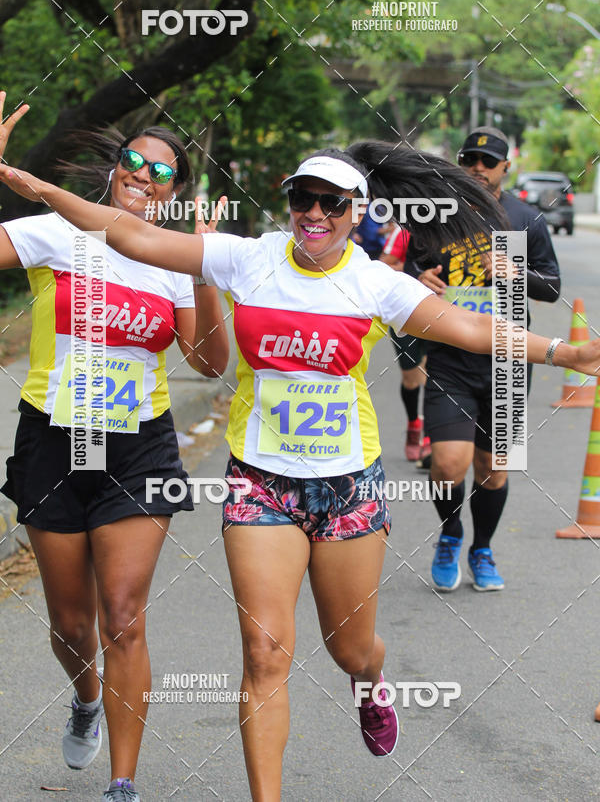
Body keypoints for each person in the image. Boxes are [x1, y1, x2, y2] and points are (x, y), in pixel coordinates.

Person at [2, 136, 597, 802]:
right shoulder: (249, 258)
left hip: (347, 486)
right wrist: (44, 193)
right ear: (289, 202)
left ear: (355, 211)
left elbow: (469, 327)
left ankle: (370, 683)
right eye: (303, 198)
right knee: (264, 656)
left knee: (352, 648)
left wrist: (563, 352)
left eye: (331, 203)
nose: (315, 213)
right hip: (260, 485)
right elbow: (133, 239)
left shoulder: (373, 282)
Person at [0, 91, 229, 802]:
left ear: (175, 194)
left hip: (139, 448)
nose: (143, 174)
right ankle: (86, 695)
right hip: (54, 440)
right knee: (72, 623)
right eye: (134, 160)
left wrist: (202, 267)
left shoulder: (172, 261)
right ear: (114, 172)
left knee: (123, 615)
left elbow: (211, 363)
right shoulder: (53, 234)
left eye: (161, 172)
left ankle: (122, 784)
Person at [404, 126, 561, 592]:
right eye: (470, 159)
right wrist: (420, 278)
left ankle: (482, 548)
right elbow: (413, 270)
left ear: (504, 168)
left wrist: (517, 273)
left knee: (493, 469)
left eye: (488, 161)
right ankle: (451, 534)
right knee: (448, 464)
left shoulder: (525, 219)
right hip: (451, 358)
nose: (478, 167)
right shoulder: (438, 217)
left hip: (510, 360)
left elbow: (552, 288)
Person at [379, 224, 430, 462]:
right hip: (406, 313)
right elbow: (383, 265)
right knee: (412, 379)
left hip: (442, 314)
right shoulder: (406, 231)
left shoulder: (454, 228)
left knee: (434, 374)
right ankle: (413, 425)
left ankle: (431, 437)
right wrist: (414, 273)